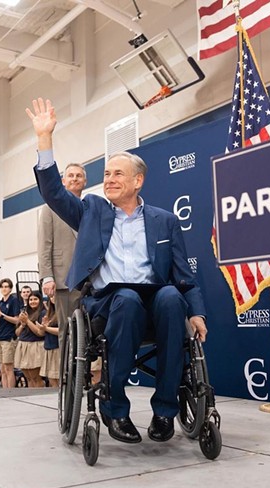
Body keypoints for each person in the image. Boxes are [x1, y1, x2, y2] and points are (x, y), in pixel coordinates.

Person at [26, 98, 207, 444]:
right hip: (109, 303)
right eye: (106, 174)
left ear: (138, 181)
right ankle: (115, 409)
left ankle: (165, 411)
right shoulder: (92, 209)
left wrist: (196, 311)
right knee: (125, 298)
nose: (108, 179)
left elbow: (182, 274)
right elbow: (52, 192)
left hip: (155, 302)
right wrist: (44, 140)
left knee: (171, 298)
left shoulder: (165, 221)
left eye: (117, 174)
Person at [37, 162, 102, 381]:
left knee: (91, 329)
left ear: (85, 181)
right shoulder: (50, 207)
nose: (74, 179)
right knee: (67, 329)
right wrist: (47, 276)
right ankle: (69, 375)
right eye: (70, 176)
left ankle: (88, 372)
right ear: (63, 180)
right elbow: (44, 244)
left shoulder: (92, 208)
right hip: (64, 280)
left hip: (92, 281)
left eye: (79, 176)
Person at [0, 278, 20, 388]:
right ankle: (4, 391)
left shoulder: (13, 301)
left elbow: (16, 320)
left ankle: (11, 391)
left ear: (10, 288)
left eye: (6, 287)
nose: (4, 289)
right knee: (2, 368)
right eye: (2, 287)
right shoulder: (0, 302)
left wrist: (2, 314)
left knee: (9, 367)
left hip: (8, 337)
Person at [14, 291, 46, 387]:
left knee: (35, 377)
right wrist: (23, 325)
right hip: (23, 345)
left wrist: (27, 321)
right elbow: (17, 333)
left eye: (35, 299)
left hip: (35, 345)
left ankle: (39, 396)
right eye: (30, 300)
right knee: (28, 377)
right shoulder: (25, 312)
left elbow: (39, 332)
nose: (32, 301)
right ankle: (31, 395)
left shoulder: (42, 313)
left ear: (40, 300)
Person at [39, 294, 59, 388]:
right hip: (49, 346)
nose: (53, 298)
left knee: (59, 378)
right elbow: (42, 333)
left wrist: (46, 328)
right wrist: (43, 326)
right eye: (51, 297)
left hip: (58, 348)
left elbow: (62, 331)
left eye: (55, 296)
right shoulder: (48, 313)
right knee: (51, 379)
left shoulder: (63, 312)